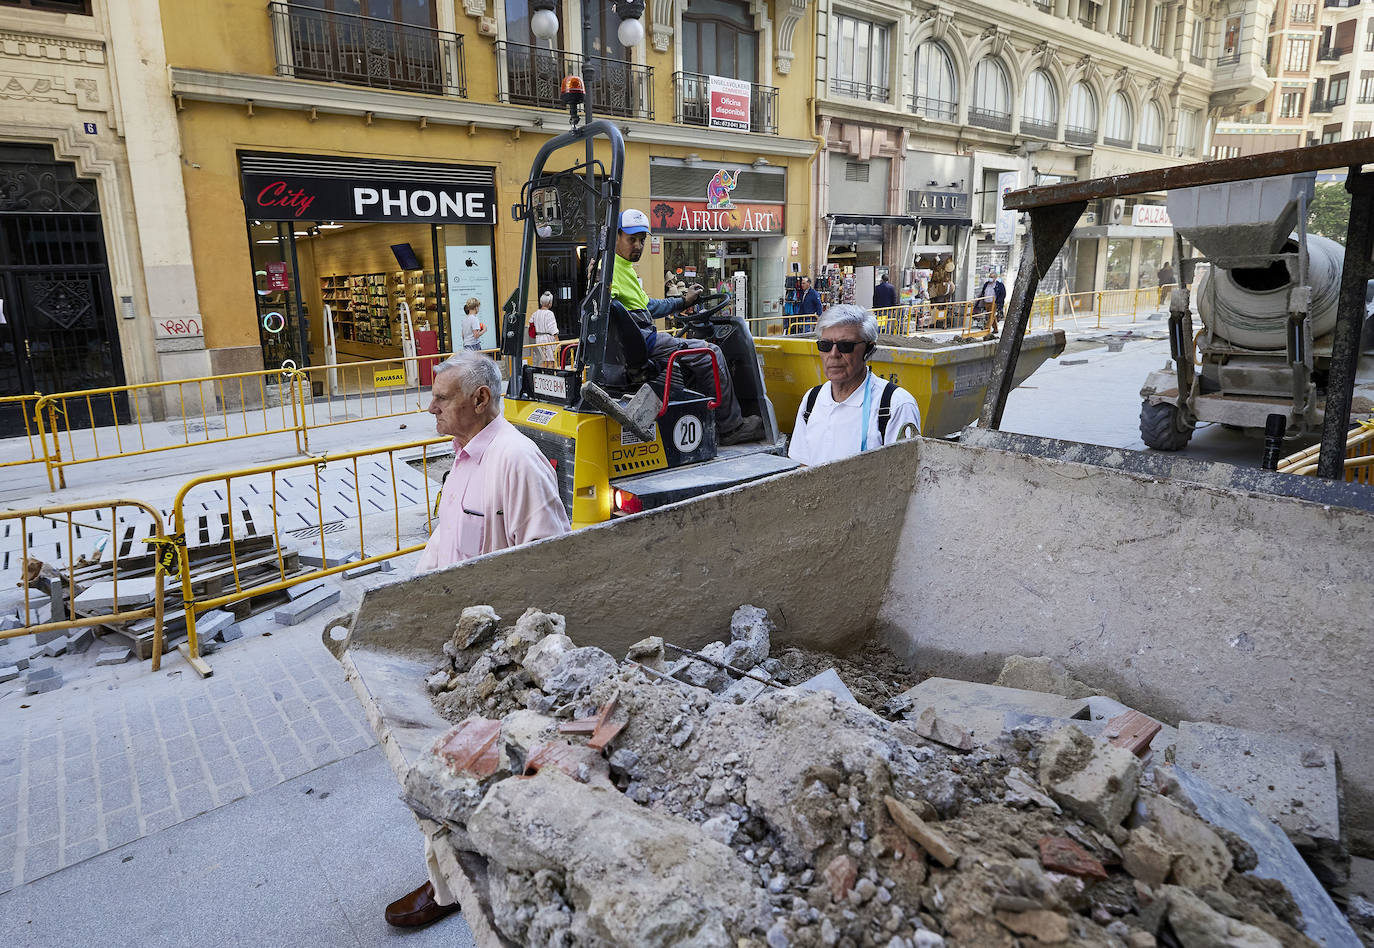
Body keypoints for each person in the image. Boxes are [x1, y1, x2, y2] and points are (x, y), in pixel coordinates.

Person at [390, 352, 570, 929]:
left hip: (492, 666)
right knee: (455, 772)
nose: (431, 407)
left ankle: (457, 886)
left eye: (441, 398)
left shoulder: (516, 463)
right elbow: (447, 539)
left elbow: (549, 567)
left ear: (480, 400)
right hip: (454, 650)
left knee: (468, 772)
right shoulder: (464, 458)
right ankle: (454, 874)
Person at [612, 208, 764, 445]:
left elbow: (648, 306)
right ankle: (730, 427)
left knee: (691, 353)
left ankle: (705, 415)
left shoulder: (622, 269)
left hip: (641, 341)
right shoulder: (611, 270)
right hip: (644, 343)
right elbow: (606, 307)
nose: (638, 246)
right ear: (617, 236)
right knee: (709, 353)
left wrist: (682, 301)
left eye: (642, 240)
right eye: (632, 240)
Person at [787, 304, 920, 466]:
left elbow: (903, 476)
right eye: (825, 345)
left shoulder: (895, 405)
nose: (834, 355)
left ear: (868, 350)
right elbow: (803, 466)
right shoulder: (812, 400)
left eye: (845, 346)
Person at [528, 291, 560, 368]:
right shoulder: (549, 313)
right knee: (551, 361)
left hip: (538, 338)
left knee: (543, 360)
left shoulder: (535, 313)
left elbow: (530, 322)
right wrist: (557, 342)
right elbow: (553, 329)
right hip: (548, 339)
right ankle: (549, 377)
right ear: (549, 303)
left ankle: (541, 377)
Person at [977, 272, 1006, 338]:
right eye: (990, 276)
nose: (990, 278)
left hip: (994, 302)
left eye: (992, 277)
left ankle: (986, 328)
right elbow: (983, 291)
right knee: (991, 315)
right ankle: (995, 329)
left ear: (995, 278)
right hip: (986, 302)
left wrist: (998, 302)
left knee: (991, 315)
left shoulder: (999, 285)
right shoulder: (986, 284)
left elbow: (1003, 294)